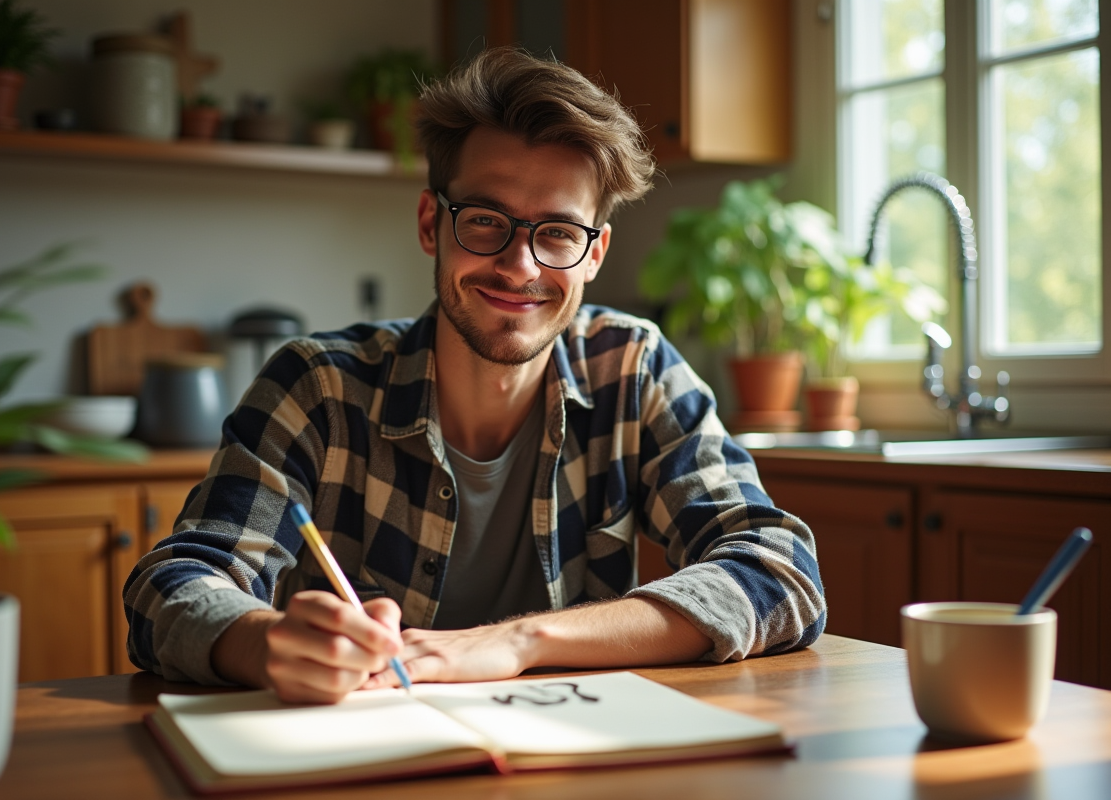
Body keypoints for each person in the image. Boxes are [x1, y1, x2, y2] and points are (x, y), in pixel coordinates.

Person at [123, 47, 826, 704]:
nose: (521, 267)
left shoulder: (633, 369)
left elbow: (777, 569)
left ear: (594, 254)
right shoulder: (318, 388)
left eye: (558, 232)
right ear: (432, 222)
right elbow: (172, 587)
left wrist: (519, 642)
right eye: (486, 220)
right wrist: (265, 643)